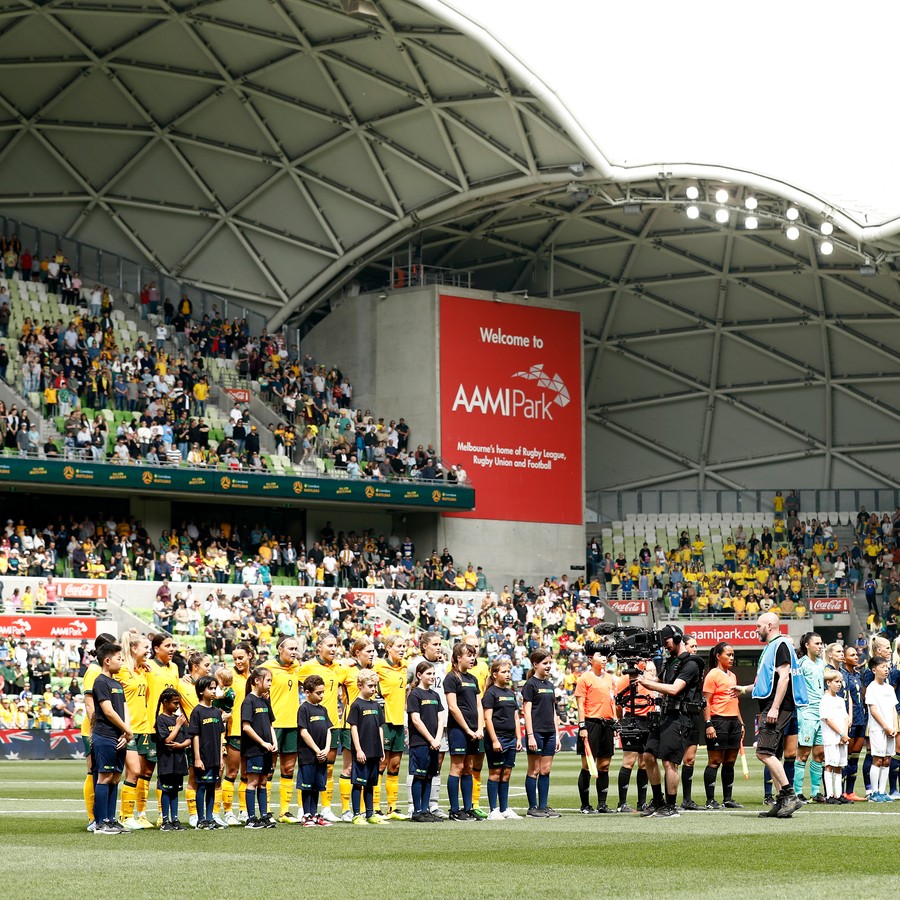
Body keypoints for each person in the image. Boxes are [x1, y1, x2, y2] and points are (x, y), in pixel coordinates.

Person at [637, 624, 704, 818]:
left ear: (676, 638)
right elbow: (660, 682)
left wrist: (645, 682)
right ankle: (658, 801)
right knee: (648, 756)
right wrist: (642, 675)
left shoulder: (691, 664)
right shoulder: (671, 662)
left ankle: (671, 806)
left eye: (666, 642)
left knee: (669, 762)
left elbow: (674, 689)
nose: (665, 646)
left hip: (679, 717)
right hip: (664, 715)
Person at [750, 612, 807, 819]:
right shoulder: (773, 647)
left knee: (763, 752)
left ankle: (789, 795)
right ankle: (782, 801)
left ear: (770, 626)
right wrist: (743, 689)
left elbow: (784, 678)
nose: (756, 630)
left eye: (759, 626)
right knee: (773, 754)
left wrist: (774, 708)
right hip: (777, 705)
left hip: (778, 706)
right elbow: (769, 681)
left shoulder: (780, 644)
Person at [298, 633, 353, 822]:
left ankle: (325, 808)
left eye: (335, 645)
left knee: (327, 768)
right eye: (329, 645)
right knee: (307, 768)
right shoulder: (306, 667)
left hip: (331, 723)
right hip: (311, 723)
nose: (333, 648)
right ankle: (303, 809)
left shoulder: (340, 668)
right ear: (319, 647)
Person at [90, 643, 132, 835]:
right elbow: (108, 711)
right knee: (104, 777)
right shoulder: (100, 682)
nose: (121, 662)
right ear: (107, 661)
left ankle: (111, 819)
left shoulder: (117, 683)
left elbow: (124, 709)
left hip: (120, 736)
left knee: (115, 778)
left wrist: (126, 731)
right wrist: (127, 731)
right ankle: (100, 822)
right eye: (118, 658)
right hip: (105, 735)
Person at [406, 632, 448, 818]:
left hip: (439, 721)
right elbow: (406, 686)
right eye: (435, 644)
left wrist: (437, 735)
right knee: (418, 769)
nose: (438, 647)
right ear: (424, 646)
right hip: (421, 726)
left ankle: (431, 805)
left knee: (436, 765)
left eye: (440, 644)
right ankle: (413, 806)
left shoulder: (444, 665)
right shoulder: (414, 664)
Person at [701, 642, 745, 809]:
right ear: (718, 656)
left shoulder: (732, 676)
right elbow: (706, 702)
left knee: (730, 761)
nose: (732, 658)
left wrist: (740, 723)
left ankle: (728, 799)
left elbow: (735, 701)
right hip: (718, 721)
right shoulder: (712, 675)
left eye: (733, 655)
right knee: (715, 761)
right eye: (728, 655)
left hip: (733, 722)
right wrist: (708, 724)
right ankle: (710, 800)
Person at [444, 641, 484, 822]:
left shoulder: (473, 679)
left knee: (468, 768)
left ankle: (468, 808)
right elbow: (452, 707)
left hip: (474, 730)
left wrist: (480, 727)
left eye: (473, 655)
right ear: (458, 657)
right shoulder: (451, 678)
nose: (472, 658)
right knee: (457, 767)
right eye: (469, 655)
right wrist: (468, 729)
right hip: (458, 729)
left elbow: (479, 705)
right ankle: (454, 810)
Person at [574, 649, 617, 814]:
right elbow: (580, 704)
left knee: (604, 766)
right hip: (591, 724)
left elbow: (612, 701)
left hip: (607, 724)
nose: (604, 659)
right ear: (591, 659)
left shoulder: (610, 678)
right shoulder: (584, 678)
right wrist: (582, 726)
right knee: (587, 766)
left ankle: (602, 804)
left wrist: (614, 723)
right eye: (600, 656)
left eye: (605, 656)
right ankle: (585, 805)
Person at [115, 632, 152, 830]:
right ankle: (125, 815)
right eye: (145, 648)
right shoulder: (120, 671)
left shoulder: (141, 671)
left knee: (138, 773)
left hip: (143, 727)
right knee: (133, 771)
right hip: (127, 729)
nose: (149, 651)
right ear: (134, 649)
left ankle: (132, 815)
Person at [80, 632, 116, 832]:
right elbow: (89, 702)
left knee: (99, 772)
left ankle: (100, 816)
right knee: (93, 771)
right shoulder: (94, 671)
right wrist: (95, 728)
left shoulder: (102, 670)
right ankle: (93, 817)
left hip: (100, 728)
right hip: (93, 729)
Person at [142, 633, 180, 825]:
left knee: (166, 772)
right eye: (167, 645)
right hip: (150, 725)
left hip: (170, 725)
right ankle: (139, 813)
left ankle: (161, 814)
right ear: (156, 649)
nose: (171, 649)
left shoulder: (174, 668)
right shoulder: (147, 666)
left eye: (173, 645)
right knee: (146, 772)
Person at [338, 638, 375, 821]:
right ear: (357, 652)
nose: (372, 654)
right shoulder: (347, 669)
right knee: (350, 767)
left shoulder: (372, 671)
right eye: (368, 651)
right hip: (349, 724)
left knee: (368, 767)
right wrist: (341, 661)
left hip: (368, 726)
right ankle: (346, 810)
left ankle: (367, 811)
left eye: (373, 650)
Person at [374, 635, 410, 820]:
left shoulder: (403, 666)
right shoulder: (379, 665)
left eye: (404, 646)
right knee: (381, 763)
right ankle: (374, 807)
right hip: (384, 720)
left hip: (398, 720)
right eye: (399, 646)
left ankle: (392, 808)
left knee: (395, 765)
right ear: (388, 648)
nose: (402, 649)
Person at [522, 647, 561, 818]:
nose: (548, 666)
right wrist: (530, 735)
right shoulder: (530, 685)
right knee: (534, 771)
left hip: (550, 733)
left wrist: (557, 733)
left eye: (550, 663)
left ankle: (543, 806)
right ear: (535, 664)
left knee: (545, 770)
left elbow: (553, 711)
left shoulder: (550, 685)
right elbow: (527, 711)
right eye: (545, 663)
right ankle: (532, 808)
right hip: (536, 733)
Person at [482, 657, 521, 820]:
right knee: (495, 773)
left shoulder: (511, 693)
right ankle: (493, 810)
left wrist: (519, 738)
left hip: (511, 739)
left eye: (508, 671)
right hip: (497, 739)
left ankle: (505, 808)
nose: (507, 674)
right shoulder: (491, 693)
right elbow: (487, 718)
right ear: (495, 673)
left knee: (506, 774)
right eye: (504, 672)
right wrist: (494, 740)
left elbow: (516, 717)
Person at [614, 660, 655, 813]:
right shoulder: (625, 678)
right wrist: (620, 720)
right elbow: (618, 703)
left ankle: (642, 803)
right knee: (628, 762)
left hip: (648, 721)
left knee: (644, 763)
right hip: (632, 720)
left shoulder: (648, 676)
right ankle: (622, 803)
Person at [177, 651, 213, 827]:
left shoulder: (210, 685)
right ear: (195, 666)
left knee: (215, 776)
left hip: (213, 736)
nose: (209, 668)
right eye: (206, 665)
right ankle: (193, 814)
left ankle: (211, 815)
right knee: (194, 776)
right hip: (196, 737)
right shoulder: (182, 685)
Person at [221, 642, 254, 825]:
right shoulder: (228, 676)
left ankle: (243, 809)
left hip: (252, 731)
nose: (238, 661)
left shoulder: (256, 677)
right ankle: (228, 811)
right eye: (234, 658)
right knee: (231, 772)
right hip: (234, 730)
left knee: (247, 774)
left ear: (250, 655)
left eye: (240, 657)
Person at [240, 666, 277, 829]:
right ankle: (251, 818)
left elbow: (269, 724)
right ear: (257, 681)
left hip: (267, 749)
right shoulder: (249, 701)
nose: (270, 683)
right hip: (255, 748)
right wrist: (262, 742)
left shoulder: (265, 700)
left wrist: (274, 741)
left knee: (263, 782)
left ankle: (263, 816)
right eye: (268, 680)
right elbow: (246, 727)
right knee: (253, 782)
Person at [349, 669, 386, 825]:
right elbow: (354, 727)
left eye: (375, 686)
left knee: (371, 783)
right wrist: (358, 749)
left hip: (374, 750)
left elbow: (379, 728)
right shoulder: (356, 705)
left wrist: (382, 749)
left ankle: (370, 813)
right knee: (358, 782)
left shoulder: (376, 706)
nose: (373, 689)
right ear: (360, 685)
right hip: (362, 750)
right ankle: (357, 814)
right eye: (370, 686)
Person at [188, 674, 225, 829]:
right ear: (201, 691)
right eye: (210, 688)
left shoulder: (217, 712)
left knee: (212, 787)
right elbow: (195, 736)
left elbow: (220, 736)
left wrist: (221, 757)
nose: (214, 691)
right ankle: (201, 819)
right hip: (202, 756)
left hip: (215, 756)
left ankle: (210, 818)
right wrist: (197, 758)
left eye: (214, 687)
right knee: (202, 786)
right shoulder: (197, 711)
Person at [794, 632, 826, 803]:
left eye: (821, 643)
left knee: (819, 753)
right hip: (807, 712)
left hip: (821, 713)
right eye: (817, 643)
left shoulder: (822, 663)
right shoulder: (801, 664)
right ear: (807, 645)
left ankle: (816, 792)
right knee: (803, 754)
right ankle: (798, 792)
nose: (820, 646)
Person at [297, 674, 332, 827]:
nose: (322, 695)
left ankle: (315, 814)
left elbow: (329, 730)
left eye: (323, 692)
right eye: (318, 693)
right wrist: (317, 750)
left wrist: (326, 749)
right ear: (307, 692)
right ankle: (306, 815)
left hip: (322, 755)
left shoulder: (323, 709)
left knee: (318, 785)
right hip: (308, 755)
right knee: (307, 785)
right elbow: (303, 732)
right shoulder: (304, 708)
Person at [155, 686, 190, 830]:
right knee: (166, 790)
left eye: (178, 703)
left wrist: (181, 745)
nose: (177, 706)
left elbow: (189, 738)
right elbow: (167, 740)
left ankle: (175, 819)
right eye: (175, 703)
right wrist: (177, 726)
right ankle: (165, 820)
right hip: (166, 761)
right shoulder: (161, 720)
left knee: (175, 790)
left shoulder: (179, 719)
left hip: (179, 761)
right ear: (165, 702)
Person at [677, 635, 705, 811]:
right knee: (672, 761)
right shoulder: (680, 667)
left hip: (694, 716)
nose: (695, 649)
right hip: (680, 715)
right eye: (692, 646)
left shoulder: (695, 667)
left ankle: (687, 800)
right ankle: (668, 799)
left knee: (690, 759)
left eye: (696, 646)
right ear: (684, 646)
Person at [865, 656, 898, 801]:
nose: (886, 670)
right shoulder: (871, 688)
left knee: (887, 760)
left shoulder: (889, 688)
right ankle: (874, 792)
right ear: (874, 670)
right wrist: (885, 727)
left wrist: (894, 727)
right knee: (877, 759)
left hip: (890, 729)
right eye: (882, 667)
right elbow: (874, 710)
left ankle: (883, 791)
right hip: (878, 729)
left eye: (887, 667)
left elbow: (893, 709)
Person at [840, 645, 867, 801]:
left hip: (860, 719)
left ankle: (850, 791)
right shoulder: (841, 675)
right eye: (852, 655)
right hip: (848, 720)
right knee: (845, 757)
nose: (856, 657)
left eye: (857, 655)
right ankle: (841, 791)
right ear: (844, 659)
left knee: (855, 757)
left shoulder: (858, 674)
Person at [820, 671, 851, 804]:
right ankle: (829, 795)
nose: (839, 684)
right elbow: (828, 720)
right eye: (836, 682)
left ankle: (838, 794)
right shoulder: (825, 700)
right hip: (831, 737)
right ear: (828, 683)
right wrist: (841, 733)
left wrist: (845, 734)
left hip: (842, 738)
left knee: (839, 765)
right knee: (830, 764)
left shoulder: (840, 700)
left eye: (840, 682)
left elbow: (845, 717)